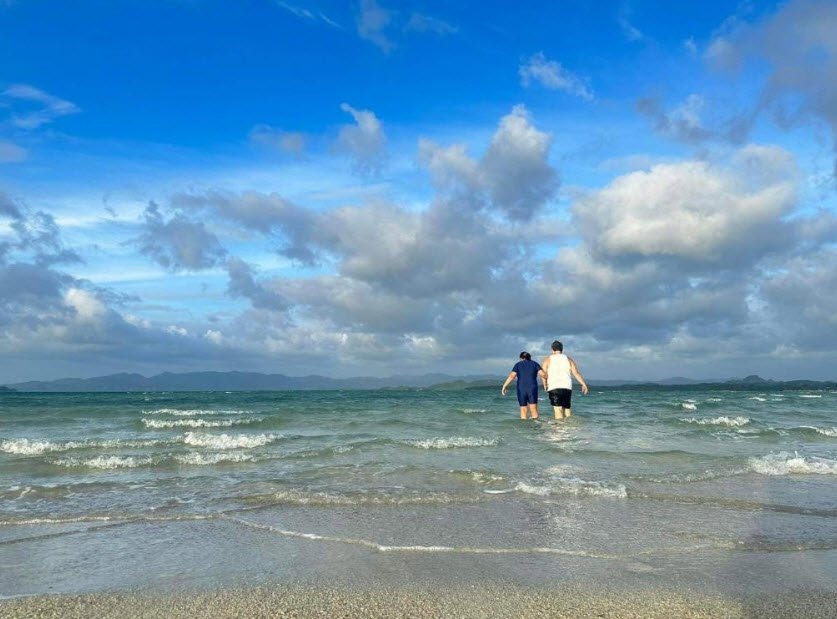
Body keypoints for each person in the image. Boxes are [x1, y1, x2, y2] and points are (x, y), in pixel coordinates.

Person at [541, 340, 589, 420]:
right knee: (567, 409)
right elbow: (576, 373)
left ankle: (560, 431)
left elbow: (543, 374)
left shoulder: (548, 360)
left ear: (552, 349)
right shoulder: (569, 359)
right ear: (562, 349)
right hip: (567, 387)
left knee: (558, 410)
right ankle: (568, 429)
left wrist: (545, 384)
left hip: (554, 387)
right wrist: (584, 384)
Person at [501, 352, 547, 420]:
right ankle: (536, 426)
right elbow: (543, 375)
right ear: (530, 357)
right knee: (533, 408)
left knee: (523, 408)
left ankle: (524, 428)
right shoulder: (534, 363)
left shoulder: (518, 365)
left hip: (521, 388)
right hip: (532, 388)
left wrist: (504, 386)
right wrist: (548, 379)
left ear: (521, 358)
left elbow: (511, 376)